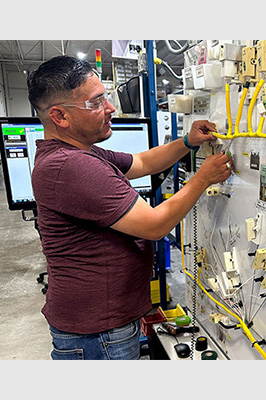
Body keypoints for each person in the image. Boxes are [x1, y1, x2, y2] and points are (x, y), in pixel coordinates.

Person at [27, 55, 234, 360]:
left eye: (106, 98)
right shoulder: (69, 165)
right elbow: (154, 225)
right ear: (59, 117)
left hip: (105, 324)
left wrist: (187, 142)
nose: (110, 108)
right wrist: (203, 178)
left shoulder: (83, 153)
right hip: (98, 334)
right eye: (96, 103)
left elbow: (141, 162)